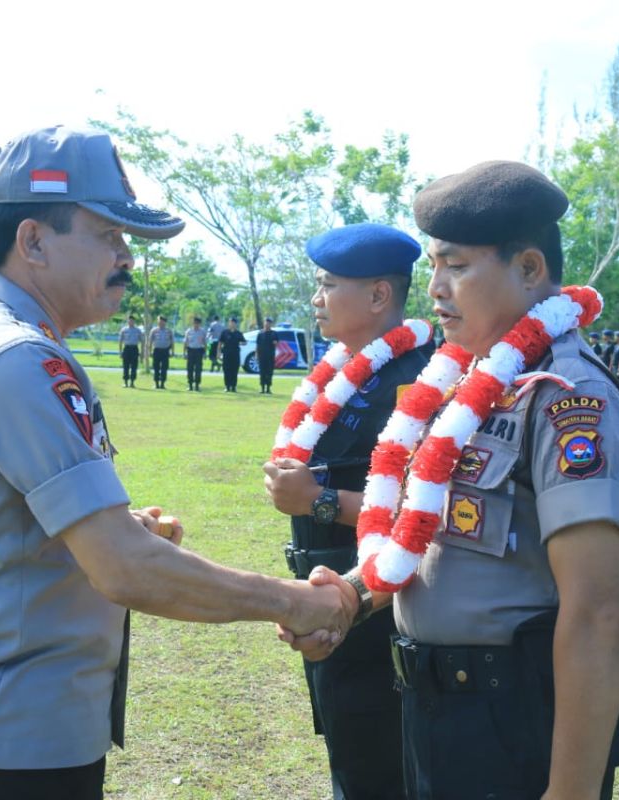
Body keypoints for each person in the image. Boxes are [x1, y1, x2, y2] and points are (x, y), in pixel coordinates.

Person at [0, 126, 352, 800]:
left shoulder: (7, 340)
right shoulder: (17, 357)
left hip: (13, 729)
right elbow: (125, 568)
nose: (126, 258)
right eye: (108, 237)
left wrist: (119, 523)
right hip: (6, 744)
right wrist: (297, 602)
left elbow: (50, 524)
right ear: (33, 241)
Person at [281, 161, 619, 800]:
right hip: (432, 704)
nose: (435, 288)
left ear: (530, 269)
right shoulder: (461, 384)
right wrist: (349, 599)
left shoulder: (566, 396)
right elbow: (432, 533)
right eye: (432, 267)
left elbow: (598, 613)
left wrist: (569, 793)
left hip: (509, 721)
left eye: (455, 266)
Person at [264, 222, 433, 800]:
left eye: (327, 284)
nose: (316, 299)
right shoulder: (339, 368)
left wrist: (321, 503)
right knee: (351, 753)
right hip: (329, 592)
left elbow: (428, 512)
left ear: (379, 296)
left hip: (377, 603)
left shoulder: (419, 379)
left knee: (378, 769)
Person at [218, 317, 246, 392]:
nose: (232, 324)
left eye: (234, 323)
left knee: (234, 371)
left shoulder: (238, 333)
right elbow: (220, 343)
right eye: (231, 322)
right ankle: (227, 386)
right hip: (226, 354)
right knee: (226, 370)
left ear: (236, 324)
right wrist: (219, 352)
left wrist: (241, 342)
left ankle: (233, 386)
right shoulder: (225, 332)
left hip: (235, 354)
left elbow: (244, 342)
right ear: (229, 323)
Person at [148, 315, 173, 389]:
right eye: (159, 321)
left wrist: (172, 351)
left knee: (164, 368)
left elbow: (172, 342)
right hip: (157, 350)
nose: (160, 322)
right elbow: (150, 341)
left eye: (161, 321)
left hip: (165, 351)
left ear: (164, 322)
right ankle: (156, 383)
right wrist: (149, 351)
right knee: (156, 367)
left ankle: (162, 384)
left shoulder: (169, 331)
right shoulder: (154, 330)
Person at [183, 316, 207, 391]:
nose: (196, 324)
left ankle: (197, 385)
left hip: (199, 351)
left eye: (197, 323)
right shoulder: (188, 331)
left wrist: (205, 353)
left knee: (198, 369)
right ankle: (190, 385)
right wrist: (184, 352)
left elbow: (205, 343)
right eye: (195, 323)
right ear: (193, 323)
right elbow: (186, 342)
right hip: (190, 351)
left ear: (199, 324)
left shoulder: (202, 332)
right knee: (190, 368)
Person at [118, 314, 142, 387]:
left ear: (134, 321)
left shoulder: (138, 330)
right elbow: (120, 341)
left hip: (134, 349)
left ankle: (132, 382)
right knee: (126, 366)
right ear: (128, 321)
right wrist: (120, 351)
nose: (131, 322)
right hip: (127, 349)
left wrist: (142, 352)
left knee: (134, 366)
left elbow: (142, 342)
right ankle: (125, 382)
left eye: (132, 321)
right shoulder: (124, 330)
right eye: (130, 320)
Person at [255, 316, 277, 394]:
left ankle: (268, 388)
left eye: (269, 323)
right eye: (266, 322)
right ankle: (262, 388)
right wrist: (256, 354)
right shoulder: (260, 333)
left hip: (270, 356)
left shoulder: (274, 333)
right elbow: (257, 345)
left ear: (271, 324)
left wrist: (275, 343)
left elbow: (277, 343)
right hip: (262, 355)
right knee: (262, 372)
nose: (267, 324)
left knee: (269, 372)